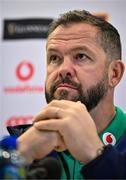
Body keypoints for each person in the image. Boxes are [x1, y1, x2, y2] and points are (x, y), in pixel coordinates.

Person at [7, 10, 126, 179]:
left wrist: (97, 157)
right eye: (55, 58)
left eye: (80, 56)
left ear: (114, 73)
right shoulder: (21, 146)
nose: (63, 69)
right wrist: (17, 157)